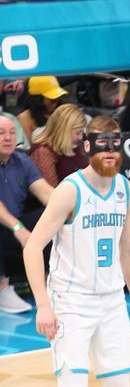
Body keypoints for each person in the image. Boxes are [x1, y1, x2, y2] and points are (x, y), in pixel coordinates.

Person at [22, 116, 130, 387]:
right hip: (71, 302)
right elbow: (33, 247)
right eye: (103, 143)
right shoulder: (70, 190)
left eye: (116, 143)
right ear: (88, 147)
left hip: (111, 302)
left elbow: (127, 250)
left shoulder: (127, 190)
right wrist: (44, 305)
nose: (110, 151)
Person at [0, 115, 53, 313]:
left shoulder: (22, 160)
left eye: (12, 133)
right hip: (8, 226)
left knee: (48, 217)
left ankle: (51, 281)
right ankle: (2, 289)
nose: (8, 138)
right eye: (1, 133)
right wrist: (17, 228)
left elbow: (45, 192)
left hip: (14, 226)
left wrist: (71, 210)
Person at [28, 103, 88, 187]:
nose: (80, 137)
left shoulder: (75, 146)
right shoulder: (43, 152)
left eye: (82, 132)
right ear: (64, 131)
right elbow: (51, 192)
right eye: (77, 133)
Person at [17, 75, 68, 142]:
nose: (55, 102)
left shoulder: (63, 113)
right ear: (38, 99)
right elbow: (26, 150)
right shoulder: (24, 118)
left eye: (57, 97)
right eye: (51, 99)